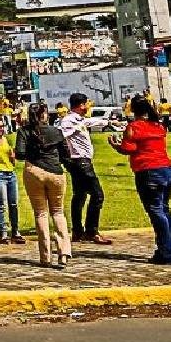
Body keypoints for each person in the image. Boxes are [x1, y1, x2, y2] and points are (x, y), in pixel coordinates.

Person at [107, 96, 171, 264]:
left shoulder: (134, 127)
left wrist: (116, 145)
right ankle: (169, 247)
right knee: (165, 210)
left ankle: (167, 253)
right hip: (166, 169)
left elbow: (129, 148)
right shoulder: (158, 126)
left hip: (148, 172)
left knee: (156, 212)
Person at [16, 103, 73, 268]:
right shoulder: (56, 132)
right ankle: (63, 252)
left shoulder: (24, 131)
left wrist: (33, 153)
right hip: (55, 173)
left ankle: (45, 256)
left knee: (40, 214)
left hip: (34, 171)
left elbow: (19, 154)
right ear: (45, 115)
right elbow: (66, 155)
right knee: (58, 212)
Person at [58, 92, 112, 245]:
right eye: (87, 103)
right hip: (80, 162)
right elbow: (62, 135)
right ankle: (91, 231)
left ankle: (77, 231)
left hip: (82, 161)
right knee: (97, 195)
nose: (89, 106)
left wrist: (108, 122)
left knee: (80, 195)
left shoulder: (79, 120)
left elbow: (90, 122)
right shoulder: (69, 121)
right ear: (81, 105)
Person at [0, 118, 24, 245]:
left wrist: (13, 158)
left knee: (14, 204)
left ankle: (15, 231)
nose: (1, 129)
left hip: (10, 173)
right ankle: (3, 233)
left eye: (2, 126)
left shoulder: (6, 139)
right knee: (2, 204)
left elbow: (11, 156)